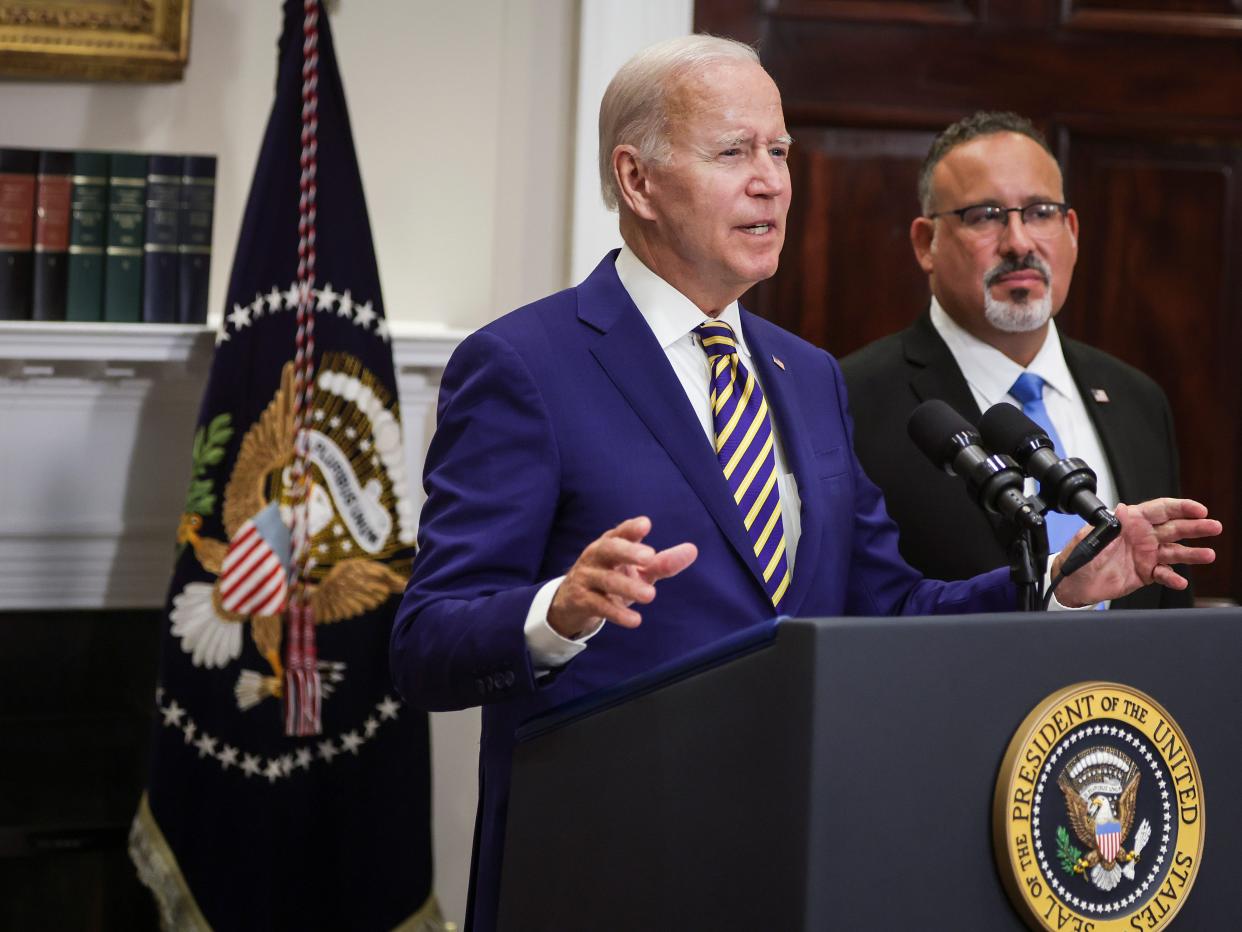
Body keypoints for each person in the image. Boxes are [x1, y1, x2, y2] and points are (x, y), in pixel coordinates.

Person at [390, 47, 1218, 932]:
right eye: (734, 153)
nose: (772, 185)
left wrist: (1054, 584)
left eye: (780, 154)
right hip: (606, 868)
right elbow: (424, 641)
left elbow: (885, 603)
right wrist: (557, 611)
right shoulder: (525, 366)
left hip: (794, 862)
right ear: (636, 179)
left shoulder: (805, 373)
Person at [841, 111, 1192, 609]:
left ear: (1071, 231)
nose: (1019, 243)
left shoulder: (1137, 398)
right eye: (984, 216)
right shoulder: (854, 400)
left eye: (1040, 212)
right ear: (926, 244)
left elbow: (1167, 600)